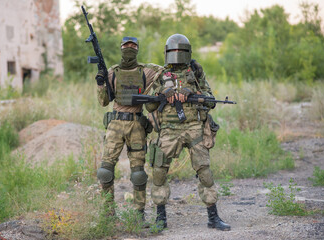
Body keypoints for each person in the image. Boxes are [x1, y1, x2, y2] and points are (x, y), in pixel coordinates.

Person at [146, 34, 231, 231]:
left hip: (194, 128)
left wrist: (193, 94)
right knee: (159, 171)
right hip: (168, 131)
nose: (176, 55)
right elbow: (149, 105)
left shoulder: (196, 73)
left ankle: (213, 217)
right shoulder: (161, 75)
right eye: (173, 51)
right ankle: (160, 218)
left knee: (205, 172)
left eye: (180, 51)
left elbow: (211, 101)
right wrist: (162, 95)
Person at [96, 36, 163, 221]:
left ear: (137, 49)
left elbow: (165, 72)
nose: (129, 48)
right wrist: (100, 83)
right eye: (126, 45)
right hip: (115, 123)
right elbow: (103, 102)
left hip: (136, 124)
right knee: (105, 171)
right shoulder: (112, 72)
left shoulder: (146, 71)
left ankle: (138, 216)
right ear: (121, 48)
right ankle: (108, 215)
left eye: (133, 46)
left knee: (139, 174)